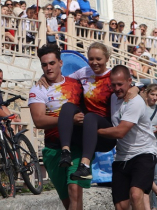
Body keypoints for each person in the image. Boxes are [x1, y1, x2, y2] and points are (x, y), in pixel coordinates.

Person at [28, 44, 103, 210]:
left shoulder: (75, 83)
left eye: (52, 63)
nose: (49, 68)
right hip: (53, 148)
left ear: (61, 63)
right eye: (44, 65)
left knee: (74, 189)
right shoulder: (38, 88)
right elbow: (39, 120)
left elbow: (100, 80)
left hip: (76, 147)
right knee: (67, 201)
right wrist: (66, 119)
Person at [97, 66, 157, 210]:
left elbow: (121, 131)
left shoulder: (135, 102)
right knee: (122, 209)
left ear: (129, 82)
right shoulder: (114, 97)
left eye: (120, 84)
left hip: (144, 152)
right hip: (122, 156)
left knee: (136, 195)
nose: (117, 88)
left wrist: (93, 132)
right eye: (113, 85)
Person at [54, 43, 134, 181]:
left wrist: (135, 89)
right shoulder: (83, 72)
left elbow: (136, 87)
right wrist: (43, 78)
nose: (94, 63)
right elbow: (61, 81)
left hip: (105, 129)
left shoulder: (112, 75)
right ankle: (65, 151)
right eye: (91, 59)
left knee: (90, 117)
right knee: (67, 107)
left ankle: (84, 166)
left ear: (107, 58)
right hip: (87, 128)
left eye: (98, 59)